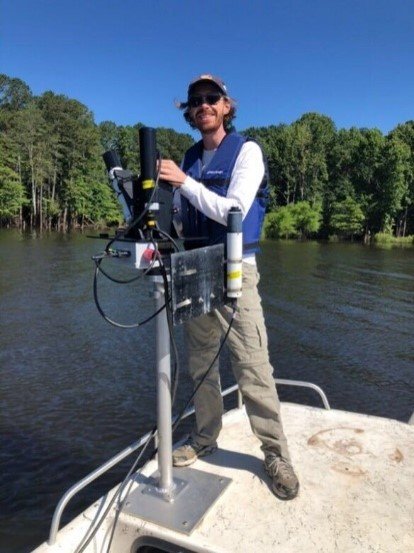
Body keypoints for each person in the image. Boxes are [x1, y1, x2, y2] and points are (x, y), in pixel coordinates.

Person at [159, 74, 299, 500]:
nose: (203, 104)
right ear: (189, 111)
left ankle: (276, 454)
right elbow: (186, 221)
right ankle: (205, 437)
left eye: (211, 98)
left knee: (252, 366)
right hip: (194, 266)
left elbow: (233, 209)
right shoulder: (188, 158)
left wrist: (184, 182)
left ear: (226, 106)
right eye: (196, 100)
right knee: (201, 365)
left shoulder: (247, 151)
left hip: (236, 269)